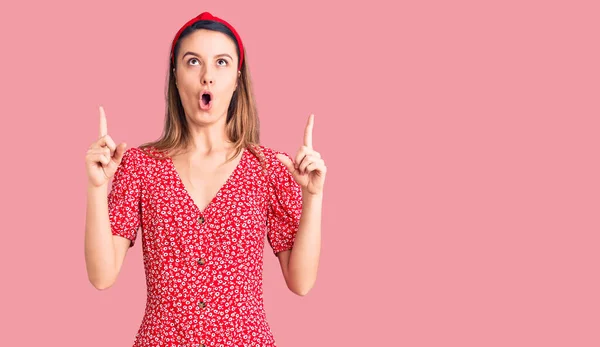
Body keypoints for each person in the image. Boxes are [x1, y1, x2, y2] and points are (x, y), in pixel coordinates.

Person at [84, 11, 327, 347]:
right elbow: (101, 276)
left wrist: (313, 197)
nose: (207, 77)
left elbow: (300, 283)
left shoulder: (270, 168)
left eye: (222, 63)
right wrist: (97, 188)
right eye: (193, 61)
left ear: (237, 78)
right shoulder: (140, 166)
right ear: (175, 74)